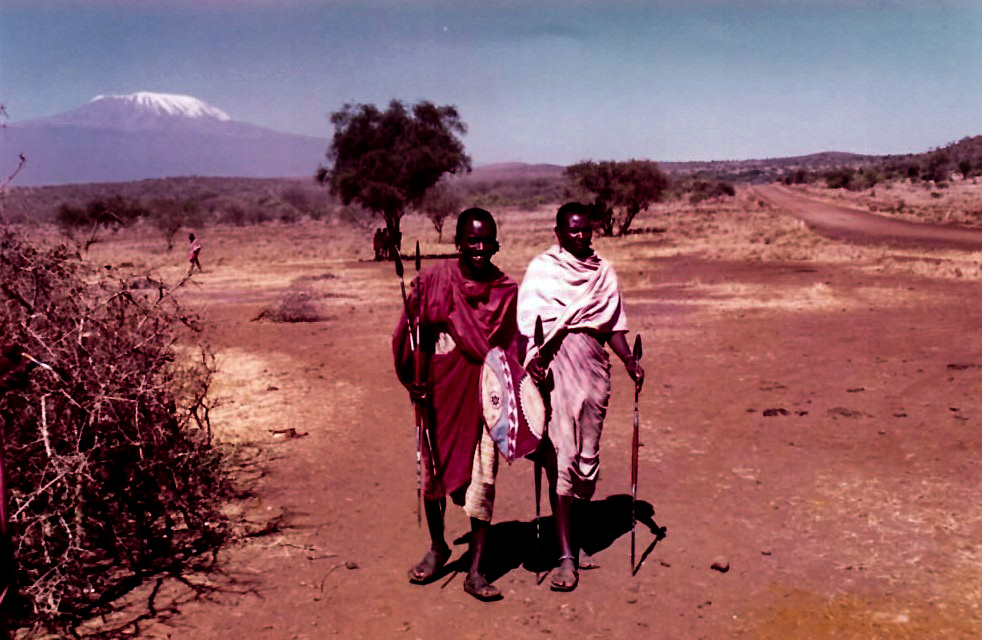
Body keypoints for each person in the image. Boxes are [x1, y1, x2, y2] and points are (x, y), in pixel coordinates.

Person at [517, 202, 644, 592]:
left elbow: (612, 326)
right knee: (563, 455)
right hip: (556, 369)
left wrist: (628, 361)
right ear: (558, 233)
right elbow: (529, 329)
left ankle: (576, 534)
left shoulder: (603, 271)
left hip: (593, 370)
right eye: (572, 230)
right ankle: (566, 555)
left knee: (587, 459)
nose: (581, 235)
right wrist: (534, 361)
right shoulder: (542, 269)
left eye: (586, 229)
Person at [392, 208, 518, 602]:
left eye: (487, 242)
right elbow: (412, 334)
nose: (479, 249)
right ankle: (438, 546)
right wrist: (414, 378)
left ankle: (476, 570)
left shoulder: (506, 290)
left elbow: (511, 351)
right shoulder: (435, 280)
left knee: (484, 479)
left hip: (484, 394)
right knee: (433, 476)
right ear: (458, 243)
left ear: (496, 244)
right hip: (439, 391)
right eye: (471, 241)